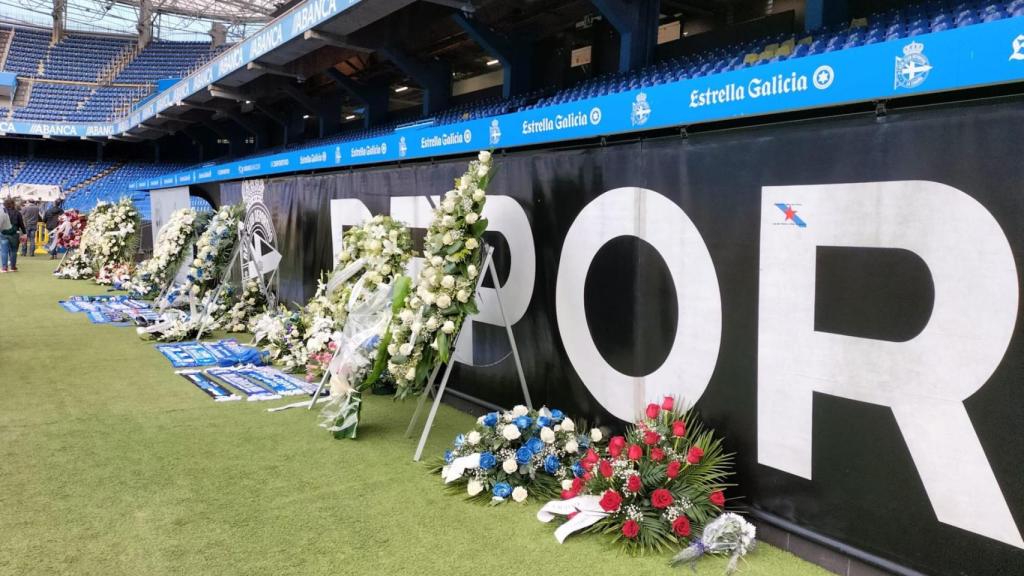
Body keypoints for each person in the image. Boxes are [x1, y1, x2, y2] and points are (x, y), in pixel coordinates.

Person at [1, 198, 25, 272]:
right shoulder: (17, 213)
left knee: (4, 251)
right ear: (13, 204)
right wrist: (24, 233)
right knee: (13, 251)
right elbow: (21, 224)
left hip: (4, 233)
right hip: (14, 234)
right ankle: (13, 267)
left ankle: (4, 268)